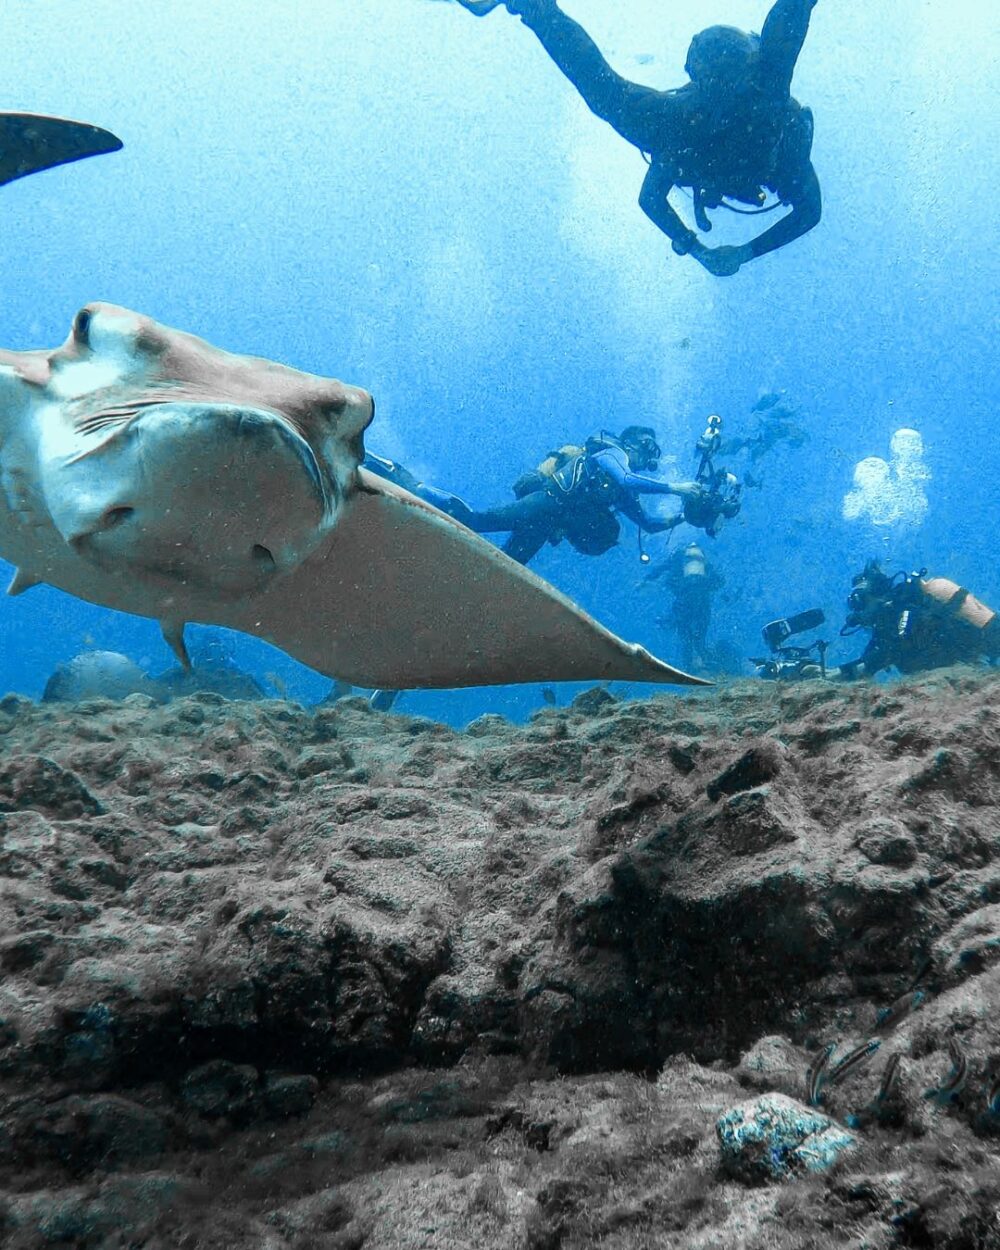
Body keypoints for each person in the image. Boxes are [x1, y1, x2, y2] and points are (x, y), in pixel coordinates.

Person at [453, 0, 821, 276]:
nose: (726, 101)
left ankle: (533, 7)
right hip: (724, 136)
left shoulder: (743, 102)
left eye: (729, 81)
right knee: (608, 98)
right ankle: (533, 6)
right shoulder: (748, 100)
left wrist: (713, 250)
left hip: (725, 139)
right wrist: (720, 252)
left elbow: (649, 193)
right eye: (717, 84)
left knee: (607, 98)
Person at [446, 426, 709, 566]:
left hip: (549, 523)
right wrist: (676, 488)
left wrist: (685, 516)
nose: (650, 456)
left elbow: (649, 524)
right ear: (632, 443)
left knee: (506, 565)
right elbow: (626, 478)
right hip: (544, 503)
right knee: (476, 521)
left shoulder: (623, 494)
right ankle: (424, 493)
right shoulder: (613, 453)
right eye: (648, 447)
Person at [835, 561, 1000, 680]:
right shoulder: (887, 626)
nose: (856, 611)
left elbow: (894, 649)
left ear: (877, 593)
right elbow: (868, 662)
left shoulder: (905, 608)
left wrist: (844, 672)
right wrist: (837, 673)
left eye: (858, 601)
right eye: (852, 604)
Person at [644, 541, 724, 672]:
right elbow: (719, 581)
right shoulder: (704, 562)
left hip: (683, 601)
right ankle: (710, 666)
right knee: (700, 640)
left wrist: (646, 579)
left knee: (686, 640)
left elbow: (660, 569)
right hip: (703, 603)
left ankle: (689, 670)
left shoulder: (677, 557)